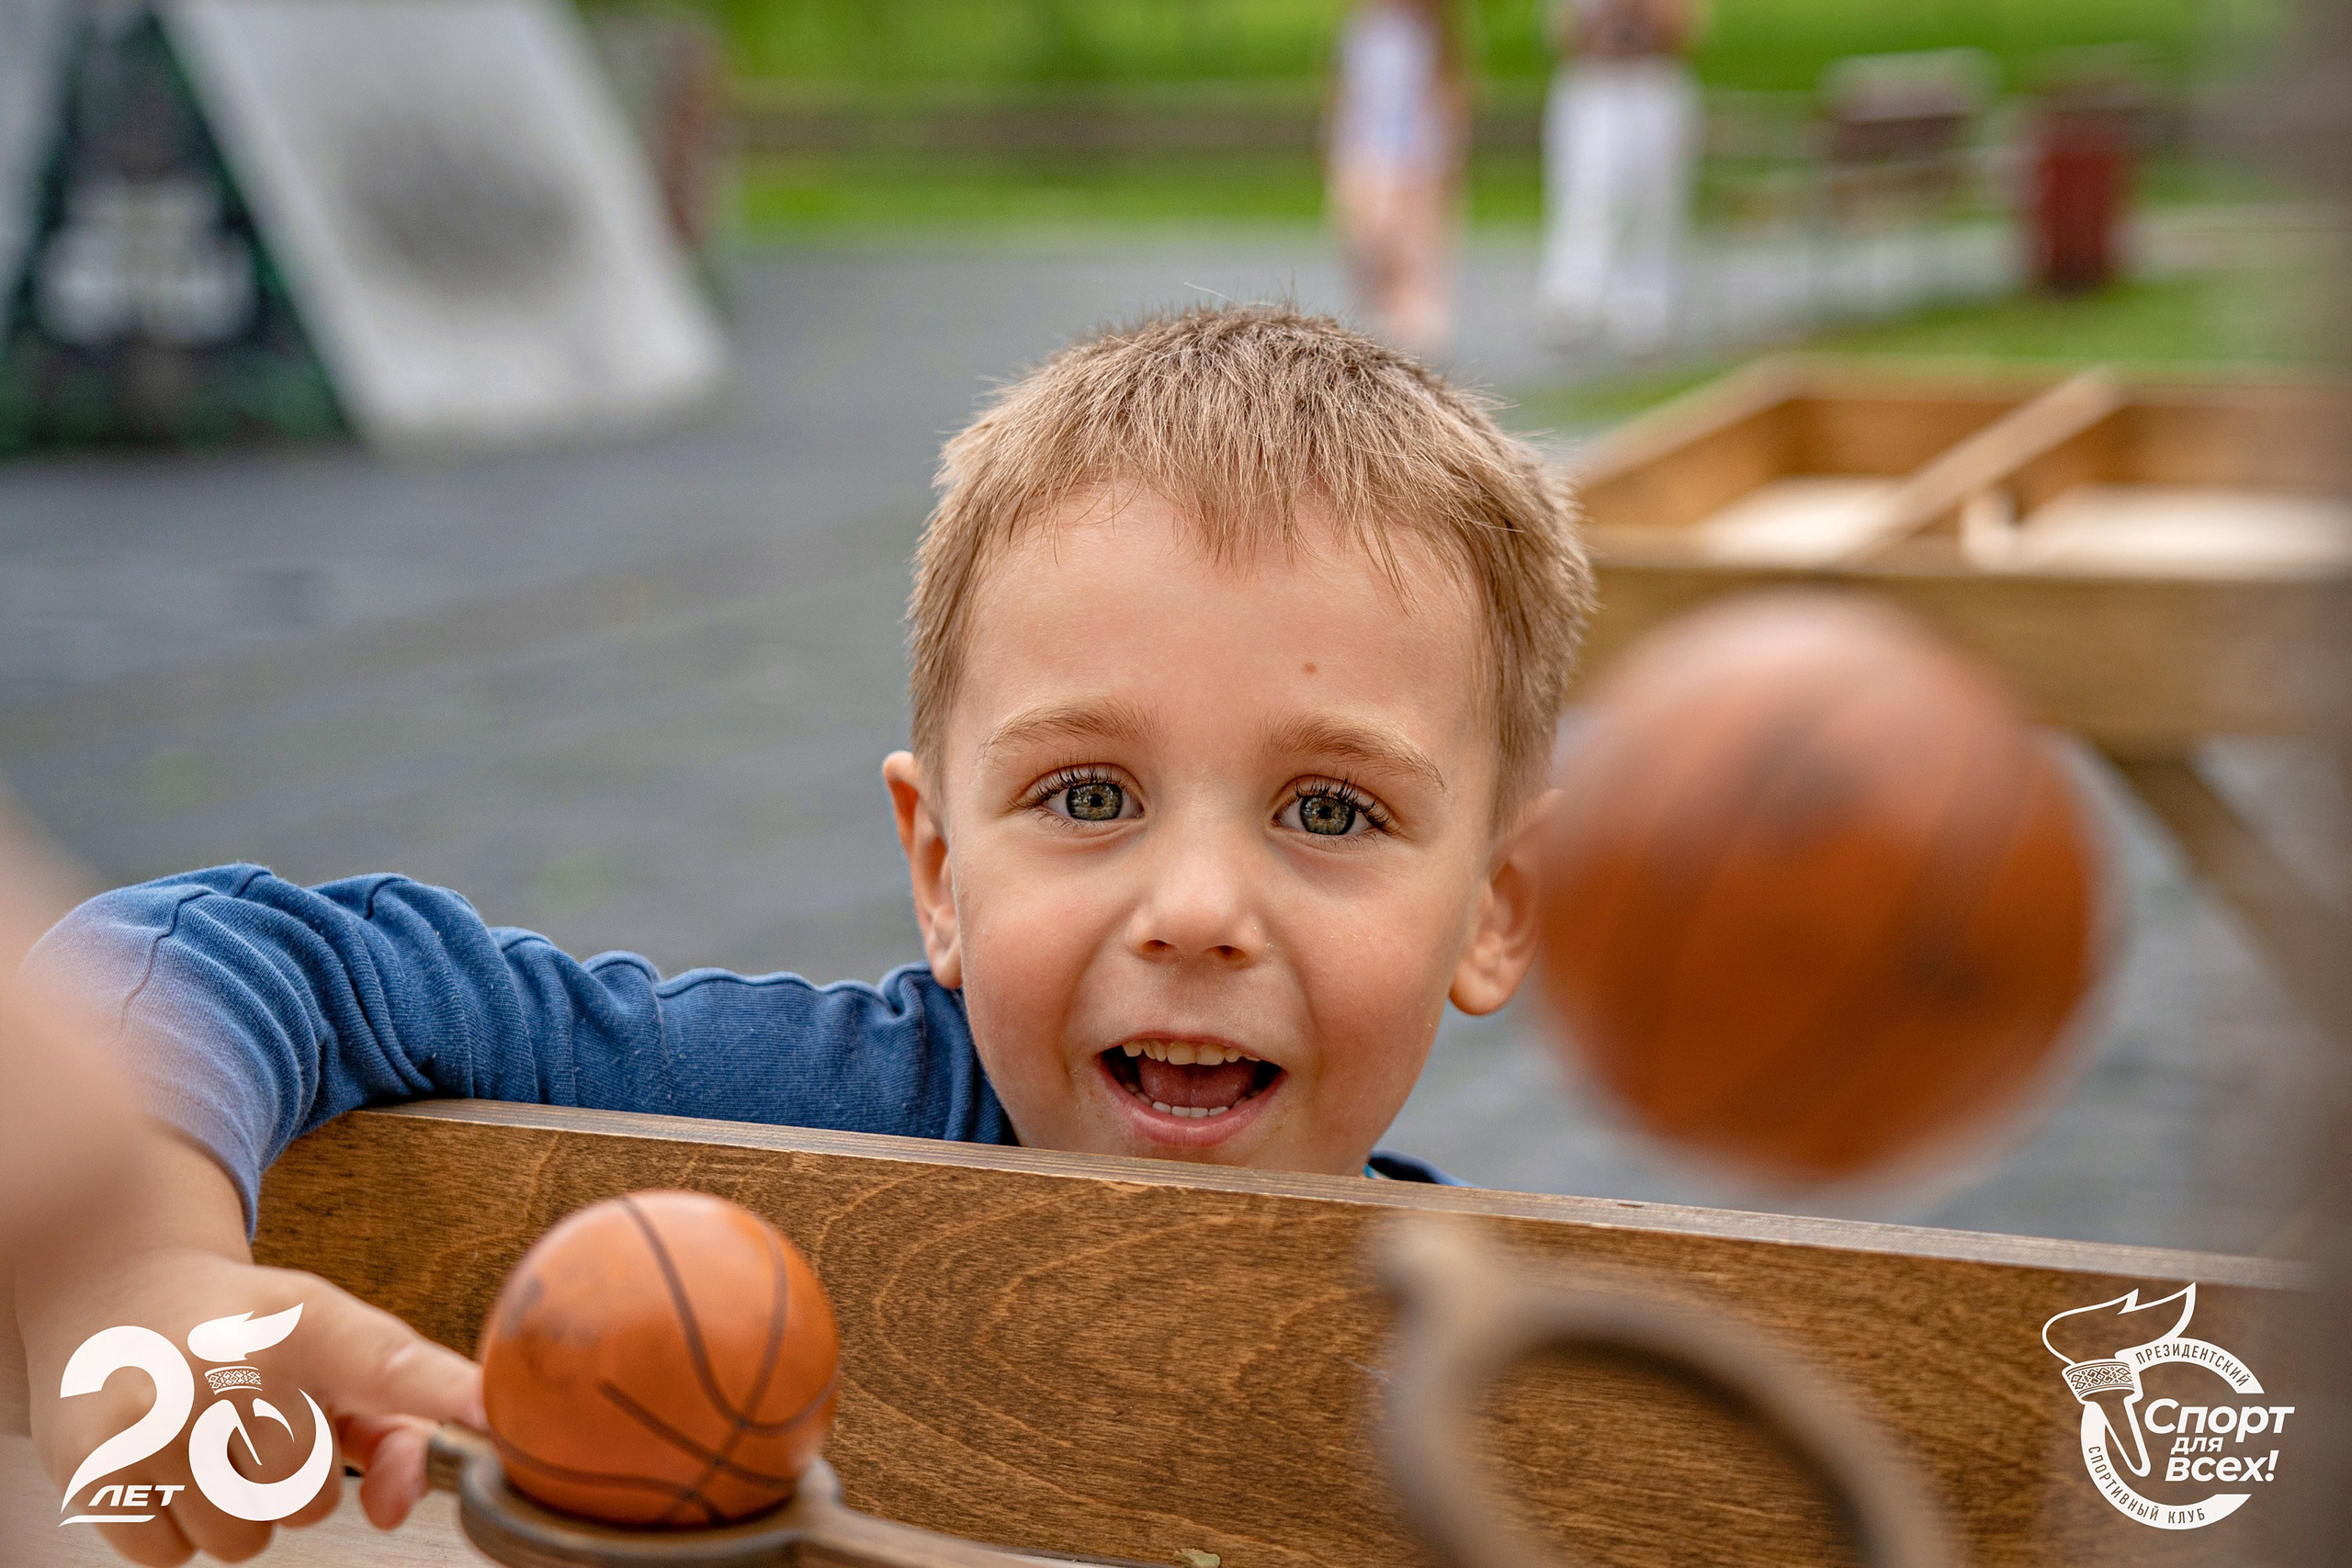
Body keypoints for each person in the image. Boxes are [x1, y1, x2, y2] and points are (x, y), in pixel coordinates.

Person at [16, 303, 1592, 1564]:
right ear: (940, 867)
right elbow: (219, 944)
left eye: (1329, 812)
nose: (1192, 913)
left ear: (1493, 908)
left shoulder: (1514, 1372)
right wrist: (140, 1267)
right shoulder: (783, 1105)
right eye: (1090, 790)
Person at [1538, 0, 1702, 353]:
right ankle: (1575, 297)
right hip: (1594, 82)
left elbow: (1681, 30)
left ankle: (1645, 307)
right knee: (1585, 197)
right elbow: (1566, 32)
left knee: (1653, 203)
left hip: (1650, 79)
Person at [1327, 0, 1470, 356]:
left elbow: (1447, 94)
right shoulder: (1361, 30)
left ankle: (1410, 327)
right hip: (1363, 154)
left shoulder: (1427, 35)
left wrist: (1444, 150)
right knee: (1364, 239)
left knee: (1410, 243)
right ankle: (1379, 316)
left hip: (1413, 155)